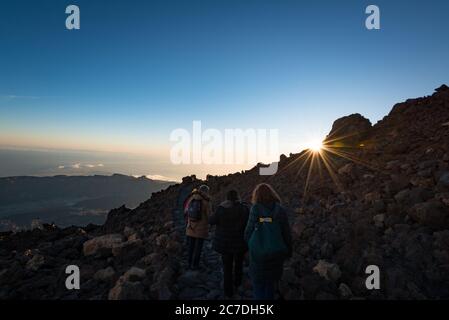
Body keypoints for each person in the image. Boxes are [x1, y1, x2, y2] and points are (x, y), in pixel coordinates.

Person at [244, 183, 292, 300]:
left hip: (259, 255)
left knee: (259, 285)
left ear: (257, 195)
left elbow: (248, 231)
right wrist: (288, 251)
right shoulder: (280, 210)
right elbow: (286, 232)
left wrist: (250, 245)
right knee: (270, 285)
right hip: (277, 252)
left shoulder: (256, 209)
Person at [209, 190, 249, 298]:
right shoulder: (244, 209)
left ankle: (228, 292)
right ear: (237, 197)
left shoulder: (221, 209)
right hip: (240, 243)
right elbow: (251, 221)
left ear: (227, 198)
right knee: (239, 264)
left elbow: (211, 221)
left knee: (227, 268)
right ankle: (238, 283)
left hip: (225, 244)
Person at [185, 185, 211, 270]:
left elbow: (186, 211)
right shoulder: (206, 202)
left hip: (190, 227)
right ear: (206, 192)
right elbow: (209, 216)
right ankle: (195, 265)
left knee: (191, 247)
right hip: (201, 228)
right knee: (198, 248)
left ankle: (188, 263)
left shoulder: (191, 198)